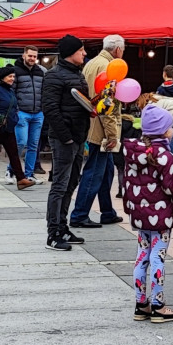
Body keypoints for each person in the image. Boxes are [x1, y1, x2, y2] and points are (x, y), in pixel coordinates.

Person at [124, 105, 173, 324]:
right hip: (161, 218)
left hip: (140, 215)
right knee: (157, 258)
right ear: (164, 131)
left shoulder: (133, 152)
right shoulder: (166, 157)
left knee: (142, 257)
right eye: (171, 126)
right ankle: (158, 306)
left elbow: (129, 184)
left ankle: (141, 304)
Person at [69, 34, 126, 229]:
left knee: (106, 171)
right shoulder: (109, 67)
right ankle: (79, 214)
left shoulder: (92, 63)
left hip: (92, 123)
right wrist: (112, 135)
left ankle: (107, 211)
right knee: (94, 172)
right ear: (117, 49)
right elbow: (107, 105)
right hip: (100, 129)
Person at [41, 34, 91, 250]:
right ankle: (53, 233)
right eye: (81, 50)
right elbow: (50, 108)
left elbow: (81, 103)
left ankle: (63, 226)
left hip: (78, 136)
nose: (84, 53)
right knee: (60, 185)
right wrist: (66, 137)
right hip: (65, 138)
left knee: (71, 183)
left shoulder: (77, 74)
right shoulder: (54, 76)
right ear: (71, 52)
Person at [0, 66, 34, 191]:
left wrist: (14, 118)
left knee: (13, 154)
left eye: (13, 76)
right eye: (10, 76)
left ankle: (21, 179)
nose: (12, 79)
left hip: (8, 128)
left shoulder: (9, 89)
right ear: (2, 77)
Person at [12, 45, 46, 178]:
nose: (32, 58)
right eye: (30, 55)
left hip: (38, 113)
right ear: (24, 55)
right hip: (22, 112)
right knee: (21, 142)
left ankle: (29, 174)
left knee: (33, 145)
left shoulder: (40, 72)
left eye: (34, 56)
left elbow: (43, 91)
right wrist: (16, 110)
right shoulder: (16, 71)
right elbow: (12, 92)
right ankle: (12, 169)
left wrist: (42, 108)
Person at [138, 93, 173, 175]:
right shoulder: (162, 99)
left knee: (171, 155)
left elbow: (155, 123)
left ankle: (172, 177)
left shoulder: (152, 106)